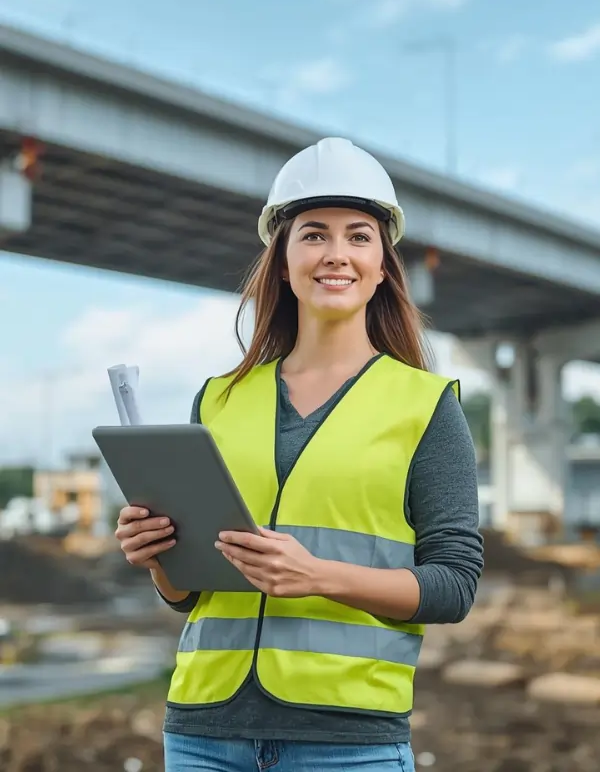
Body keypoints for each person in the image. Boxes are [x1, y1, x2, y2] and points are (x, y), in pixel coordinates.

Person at [115, 136, 484, 772]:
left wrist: (318, 576)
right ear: (283, 262)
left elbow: (453, 585)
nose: (336, 254)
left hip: (349, 742)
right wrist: (157, 555)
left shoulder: (425, 405)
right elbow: (188, 593)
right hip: (203, 733)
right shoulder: (219, 400)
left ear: (381, 266)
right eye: (313, 234)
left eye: (359, 237)